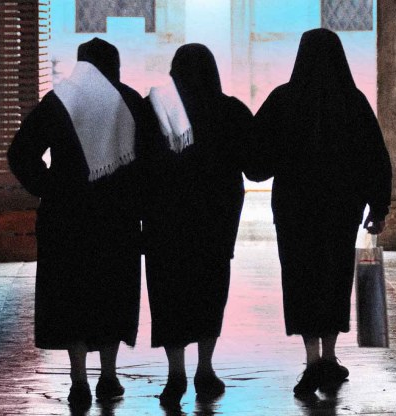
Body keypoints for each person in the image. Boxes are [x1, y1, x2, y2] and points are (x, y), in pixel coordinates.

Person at [249, 28, 392, 397]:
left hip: (295, 210)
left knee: (300, 278)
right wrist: (379, 207)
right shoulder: (353, 100)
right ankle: (329, 356)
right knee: (333, 277)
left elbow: (256, 162)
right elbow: (376, 158)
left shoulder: (283, 99)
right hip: (341, 210)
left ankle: (312, 359)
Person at [7, 38, 146, 408]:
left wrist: (50, 187)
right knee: (112, 295)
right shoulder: (130, 101)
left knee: (72, 297)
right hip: (117, 219)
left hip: (65, 219)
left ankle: (79, 381)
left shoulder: (59, 101)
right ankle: (109, 376)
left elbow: (20, 152)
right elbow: (148, 164)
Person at [141, 43, 255, 407]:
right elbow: (255, 164)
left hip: (165, 223)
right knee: (210, 293)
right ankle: (205, 368)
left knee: (168, 295)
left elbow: (137, 163)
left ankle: (175, 374)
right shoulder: (230, 110)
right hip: (215, 224)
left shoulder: (153, 109)